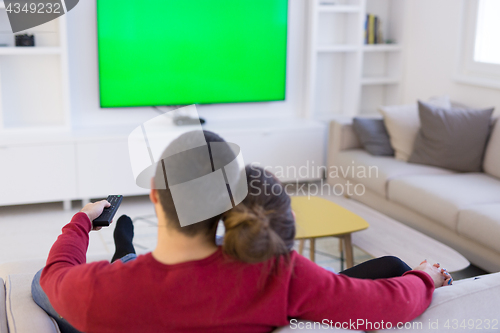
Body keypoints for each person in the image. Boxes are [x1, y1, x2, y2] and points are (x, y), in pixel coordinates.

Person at [32, 130, 452, 333]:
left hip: (119, 292)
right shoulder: (279, 273)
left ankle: (125, 251)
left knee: (40, 285)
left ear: (156, 197)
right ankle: (126, 249)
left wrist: (83, 220)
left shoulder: (99, 291)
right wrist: (424, 277)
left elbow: (55, 273)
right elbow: (386, 304)